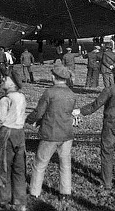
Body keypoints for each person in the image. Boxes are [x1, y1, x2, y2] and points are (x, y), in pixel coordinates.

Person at [73, 66, 115, 190]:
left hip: (110, 125)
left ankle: (107, 184)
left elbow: (95, 105)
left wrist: (80, 111)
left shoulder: (109, 90)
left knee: (107, 153)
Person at [26, 65, 76, 200]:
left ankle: (34, 192)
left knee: (40, 163)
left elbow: (38, 112)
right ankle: (65, 193)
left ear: (54, 77)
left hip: (50, 133)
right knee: (65, 163)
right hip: (67, 134)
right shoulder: (71, 94)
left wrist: (29, 119)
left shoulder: (49, 92)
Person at [0, 71, 27, 211]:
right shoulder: (21, 97)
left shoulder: (5, 99)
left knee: (2, 167)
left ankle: (4, 200)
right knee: (19, 168)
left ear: (13, 83)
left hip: (6, 133)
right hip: (20, 134)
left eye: (6, 78)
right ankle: (20, 201)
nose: (3, 79)